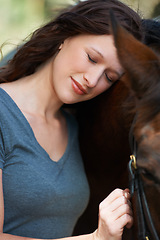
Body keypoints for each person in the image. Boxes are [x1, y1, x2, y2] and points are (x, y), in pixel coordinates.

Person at [0, 0, 144, 240]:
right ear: (64, 37)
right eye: (92, 58)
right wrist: (96, 238)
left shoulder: (73, 126)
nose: (93, 80)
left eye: (109, 77)